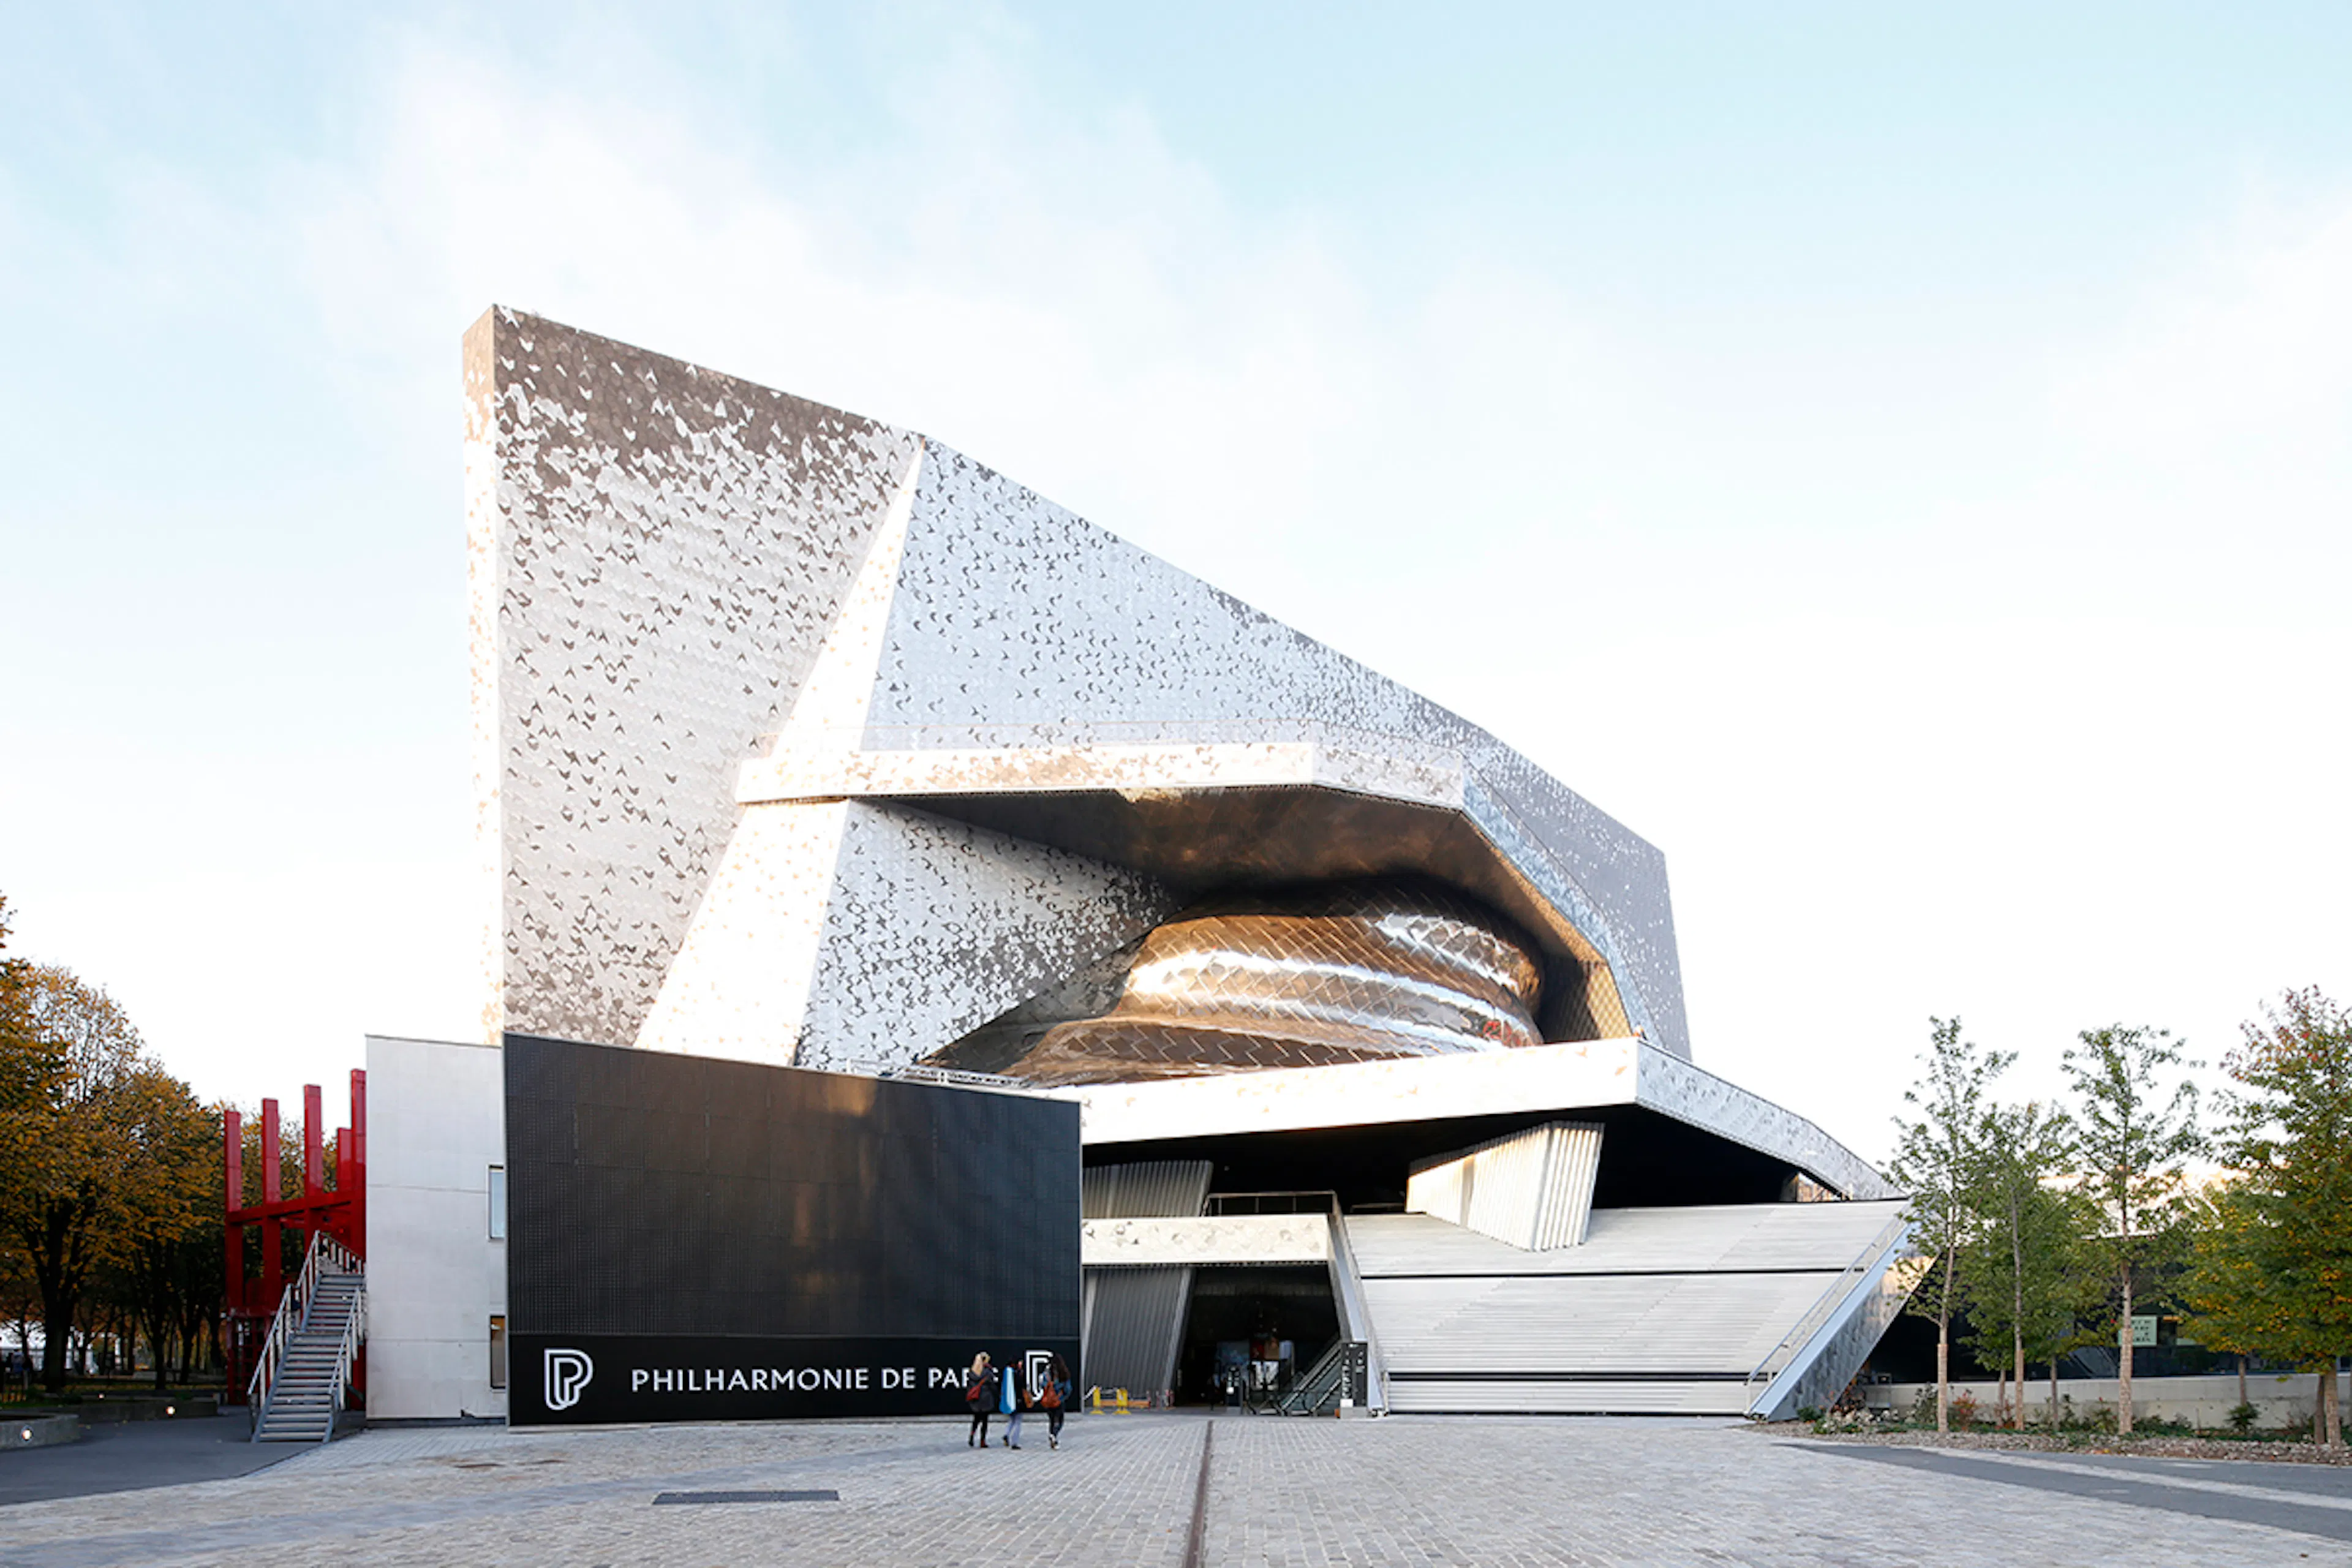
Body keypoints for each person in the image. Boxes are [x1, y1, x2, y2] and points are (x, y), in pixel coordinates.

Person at [965, 1352, 994, 1448]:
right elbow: (992, 1385)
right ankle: (982, 1441)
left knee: (976, 1420)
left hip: (975, 1399)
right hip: (986, 1398)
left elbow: (969, 1386)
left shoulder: (971, 1372)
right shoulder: (988, 1372)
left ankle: (972, 1436)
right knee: (985, 1421)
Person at [1042, 1353, 1071, 1449]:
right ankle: (1054, 1434)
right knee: (1060, 1420)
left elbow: (1043, 1385)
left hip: (1048, 1401)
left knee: (1051, 1420)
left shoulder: (1047, 1373)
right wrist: (1063, 1397)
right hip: (1059, 1400)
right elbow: (1068, 1389)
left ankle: (1053, 1436)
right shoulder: (1064, 1373)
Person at [1003, 1363, 1027, 1450]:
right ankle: (1015, 1442)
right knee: (1018, 1421)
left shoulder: (1008, 1374)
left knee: (1012, 1420)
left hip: (1010, 1400)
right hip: (1018, 1400)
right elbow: (1022, 1387)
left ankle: (1007, 1434)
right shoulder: (1018, 1375)